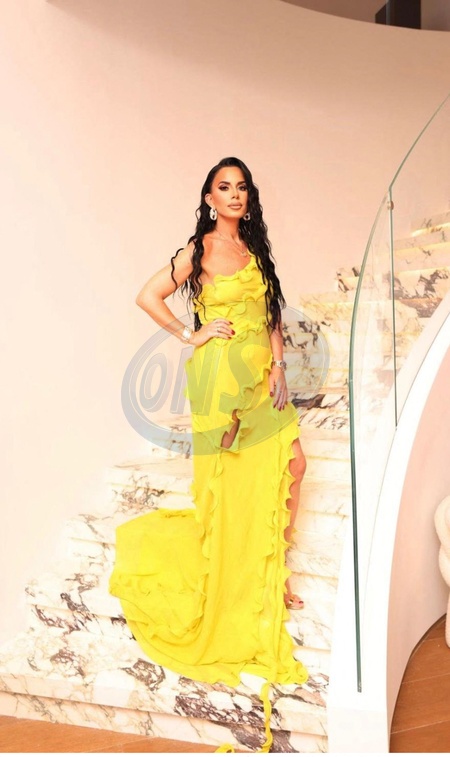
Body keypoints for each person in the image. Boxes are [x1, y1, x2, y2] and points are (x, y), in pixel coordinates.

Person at [109, 157, 308, 752]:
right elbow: (147, 295)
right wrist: (190, 334)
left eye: (242, 187)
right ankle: (244, 579)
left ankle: (274, 570)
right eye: (225, 187)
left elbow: (271, 314)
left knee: (293, 465)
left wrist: (279, 364)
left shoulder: (254, 247)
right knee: (230, 485)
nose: (235, 195)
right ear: (209, 198)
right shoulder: (198, 250)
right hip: (220, 378)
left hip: (261, 377)